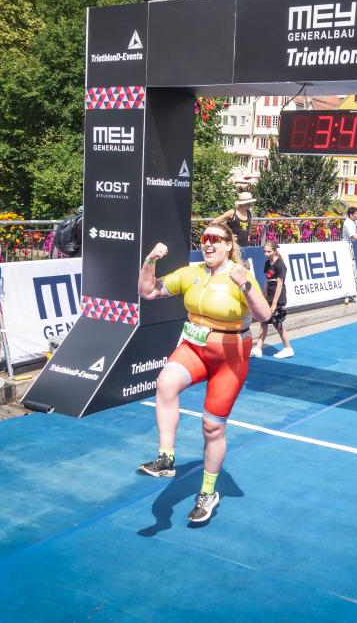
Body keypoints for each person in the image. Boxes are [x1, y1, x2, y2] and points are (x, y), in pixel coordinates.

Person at [136, 222, 271, 523]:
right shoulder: (192, 273)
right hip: (195, 348)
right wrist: (149, 261)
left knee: (212, 428)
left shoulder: (239, 274)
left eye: (215, 239)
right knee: (165, 383)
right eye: (204, 238)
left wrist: (246, 285)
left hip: (230, 356)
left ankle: (208, 492)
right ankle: (166, 458)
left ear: (228, 245)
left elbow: (264, 316)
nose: (208, 244)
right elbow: (148, 291)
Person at [251, 240, 294, 359]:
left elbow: (280, 285)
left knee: (277, 323)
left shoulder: (280, 264)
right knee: (263, 322)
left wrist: (274, 303)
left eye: (268, 251)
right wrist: (263, 296)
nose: (266, 253)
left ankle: (288, 348)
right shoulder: (267, 264)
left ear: (275, 251)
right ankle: (258, 348)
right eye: (264, 251)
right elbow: (267, 281)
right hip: (268, 295)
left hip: (278, 297)